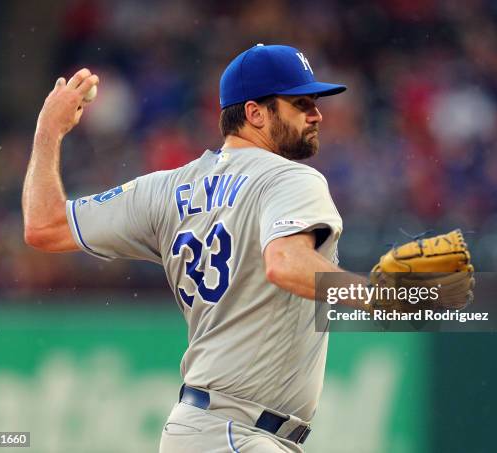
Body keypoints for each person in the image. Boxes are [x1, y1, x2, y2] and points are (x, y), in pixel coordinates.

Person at [23, 43, 352, 452]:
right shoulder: (291, 180)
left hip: (204, 430)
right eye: (301, 102)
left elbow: (45, 225)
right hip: (239, 433)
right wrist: (389, 293)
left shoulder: (166, 188)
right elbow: (285, 263)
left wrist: (48, 132)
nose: (316, 113)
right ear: (254, 113)